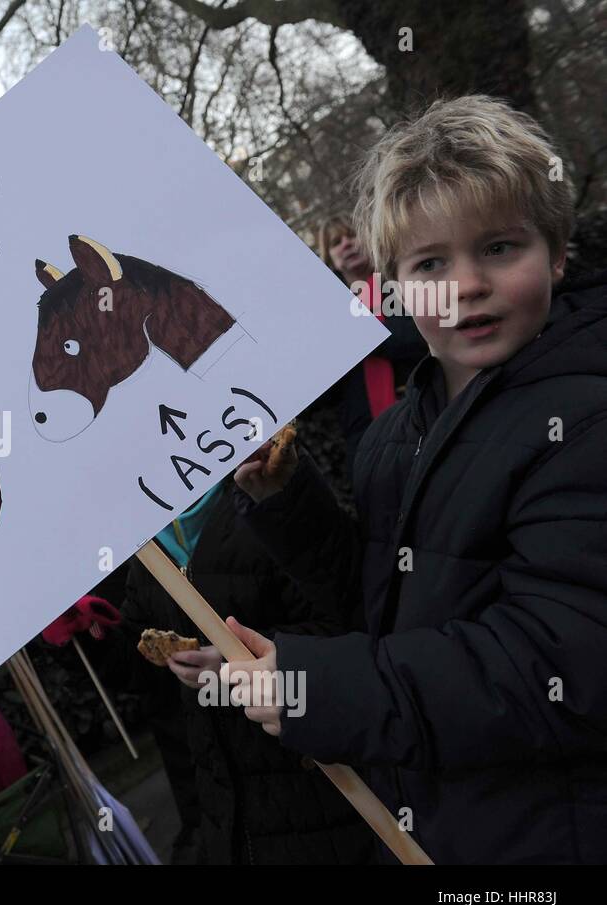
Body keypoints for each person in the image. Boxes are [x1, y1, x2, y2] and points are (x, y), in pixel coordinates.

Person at [227, 95, 607, 863]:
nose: (465, 285)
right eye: (430, 263)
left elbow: (554, 662)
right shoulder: (395, 431)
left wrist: (317, 688)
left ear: (557, 253)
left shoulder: (587, 416)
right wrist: (285, 499)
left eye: (500, 248)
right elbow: (387, 605)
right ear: (394, 286)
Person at [119, 478, 372, 864]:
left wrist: (234, 666)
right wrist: (91, 634)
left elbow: (343, 627)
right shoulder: (149, 541)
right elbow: (141, 676)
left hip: (323, 790)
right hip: (228, 813)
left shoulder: (269, 492)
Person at [316, 215, 427, 475]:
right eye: (336, 242)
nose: (346, 244)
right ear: (330, 258)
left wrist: (360, 331)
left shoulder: (403, 282)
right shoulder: (325, 310)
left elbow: (419, 339)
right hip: (366, 437)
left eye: (352, 235)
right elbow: (324, 391)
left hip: (421, 412)